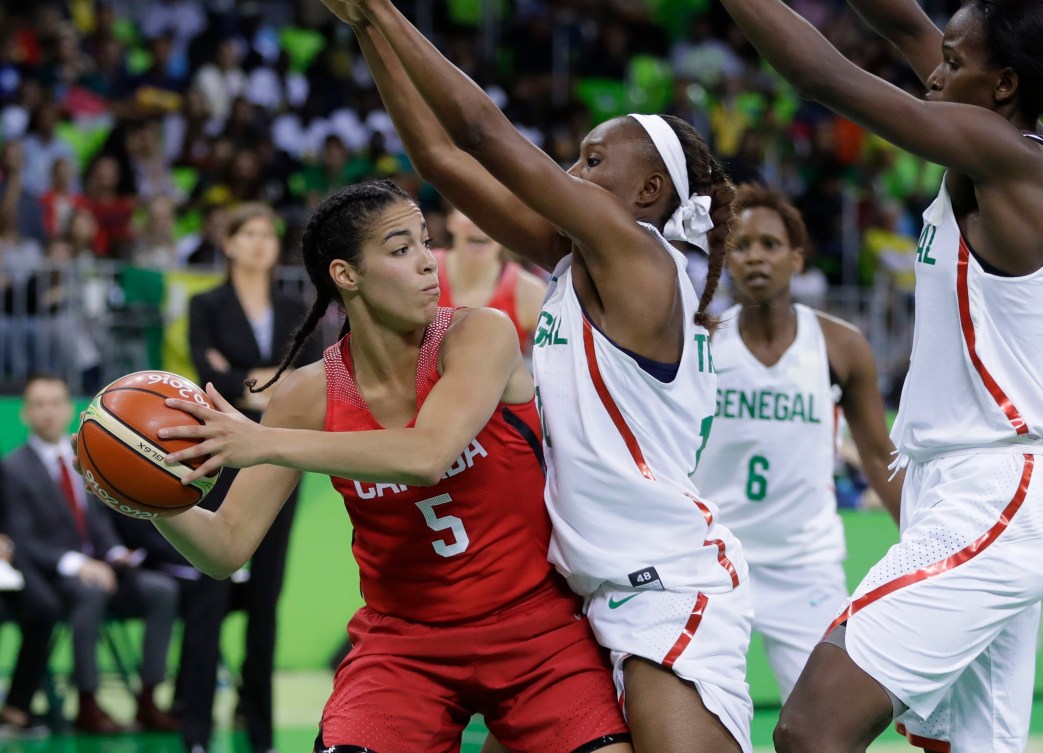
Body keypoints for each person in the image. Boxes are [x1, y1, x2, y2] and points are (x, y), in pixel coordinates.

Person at [322, 2, 748, 750]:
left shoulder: (642, 258)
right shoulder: (576, 260)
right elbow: (442, 161)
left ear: (647, 194)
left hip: (662, 585)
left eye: (590, 160)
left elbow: (482, 132)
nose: (568, 171)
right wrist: (364, 30)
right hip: (582, 593)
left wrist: (385, 9)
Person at [715, 0, 1043, 750]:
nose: (935, 68)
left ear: (1001, 85)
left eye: (954, 61)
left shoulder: (1010, 159)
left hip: (995, 490)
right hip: (970, 489)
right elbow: (903, 22)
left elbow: (818, 72)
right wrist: (926, 40)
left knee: (810, 727)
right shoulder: (995, 132)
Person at [133, 180, 631, 753]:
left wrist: (266, 441)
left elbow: (427, 454)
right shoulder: (307, 395)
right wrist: (146, 494)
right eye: (400, 250)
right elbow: (223, 548)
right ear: (345, 275)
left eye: (426, 242)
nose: (426, 263)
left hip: (538, 632)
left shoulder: (477, 334)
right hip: (404, 646)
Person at [690, 184, 903, 704]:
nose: (756, 256)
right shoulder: (697, 341)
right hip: (712, 559)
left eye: (769, 244)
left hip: (805, 564)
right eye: (740, 246)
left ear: (797, 258)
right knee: (697, 722)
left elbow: (879, 456)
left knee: (824, 726)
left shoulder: (841, 344)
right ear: (725, 260)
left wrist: (923, 545)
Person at [174, 202, 312, 753]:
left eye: (266, 234)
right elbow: (211, 377)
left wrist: (247, 382)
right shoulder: (204, 303)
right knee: (209, 591)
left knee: (266, 595)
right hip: (219, 453)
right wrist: (266, 384)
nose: (258, 242)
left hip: (278, 455)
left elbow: (309, 373)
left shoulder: (291, 305)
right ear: (228, 243)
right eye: (247, 233)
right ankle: (196, 732)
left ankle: (259, 733)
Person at [4, 374, 178, 734]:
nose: (48, 412)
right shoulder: (13, 468)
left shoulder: (91, 456)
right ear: (25, 414)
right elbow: (21, 539)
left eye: (55, 402)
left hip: (105, 568)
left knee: (161, 590)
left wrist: (114, 553)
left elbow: (99, 523)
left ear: (70, 409)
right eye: (39, 404)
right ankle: (87, 702)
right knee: (91, 592)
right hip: (57, 579)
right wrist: (79, 564)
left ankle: (148, 698)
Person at [0, 463, 59, 739]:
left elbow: (13, 516)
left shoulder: (4, 467)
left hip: (6, 563)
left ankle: (16, 706)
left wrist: (6, 543)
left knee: (43, 608)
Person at [436, 208, 545, 355]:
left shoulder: (530, 292)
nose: (480, 223)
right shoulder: (421, 271)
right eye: (468, 211)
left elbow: (561, 361)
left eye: (492, 214)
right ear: (450, 221)